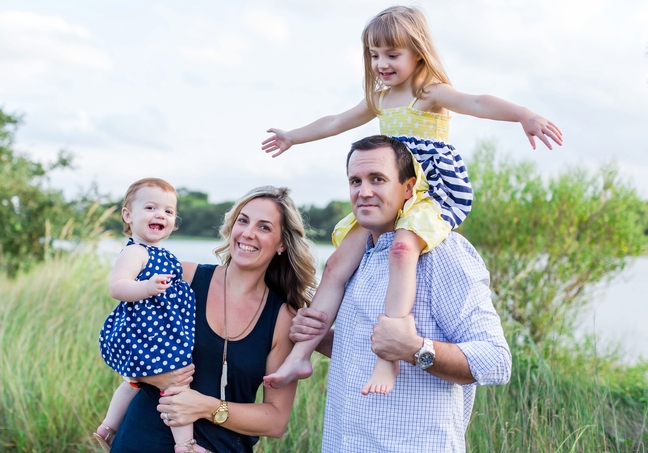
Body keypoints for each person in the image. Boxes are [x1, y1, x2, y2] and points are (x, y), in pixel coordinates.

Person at [262, 5, 559, 395]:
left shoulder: (429, 92)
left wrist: (524, 115)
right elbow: (334, 122)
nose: (381, 64)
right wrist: (292, 136)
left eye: (391, 54)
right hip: (388, 194)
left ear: (417, 52)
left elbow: (479, 102)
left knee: (403, 251)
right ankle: (302, 354)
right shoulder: (380, 99)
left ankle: (389, 360)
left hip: (428, 191)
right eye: (374, 55)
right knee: (335, 264)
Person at [291, 135, 512, 452]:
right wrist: (317, 336)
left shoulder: (442, 254)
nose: (363, 192)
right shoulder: (357, 257)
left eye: (377, 179)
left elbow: (496, 361)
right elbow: (365, 345)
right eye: (355, 181)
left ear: (409, 188)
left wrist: (415, 349)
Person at [109, 186, 318, 453]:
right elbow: (124, 341)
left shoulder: (283, 317)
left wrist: (207, 407)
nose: (248, 233)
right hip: (140, 441)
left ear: (282, 244)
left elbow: (275, 421)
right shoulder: (181, 276)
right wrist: (153, 377)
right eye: (243, 221)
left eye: (264, 227)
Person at [95, 178, 198, 453]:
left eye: (168, 211)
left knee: (132, 383)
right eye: (150, 207)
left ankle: (108, 427)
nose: (159, 215)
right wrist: (147, 287)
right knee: (176, 385)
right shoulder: (135, 252)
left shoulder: (163, 254)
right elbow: (117, 287)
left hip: (155, 332)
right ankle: (185, 444)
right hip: (147, 334)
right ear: (128, 215)